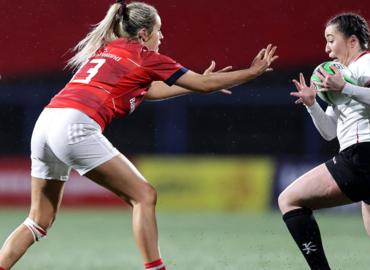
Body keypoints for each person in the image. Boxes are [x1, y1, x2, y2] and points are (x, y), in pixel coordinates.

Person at [0, 1, 278, 270]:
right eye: (159, 30)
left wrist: (198, 85)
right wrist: (252, 72)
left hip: (47, 121)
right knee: (144, 195)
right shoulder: (145, 56)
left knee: (38, 220)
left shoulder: (107, 50)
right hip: (74, 125)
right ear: (144, 33)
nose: (162, 36)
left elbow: (152, 90)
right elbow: (204, 83)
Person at [278, 13, 370, 270]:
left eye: (331, 39)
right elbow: (329, 132)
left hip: (367, 156)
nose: (326, 48)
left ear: (352, 41)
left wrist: (344, 88)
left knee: (288, 200)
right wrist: (313, 105)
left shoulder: (369, 63)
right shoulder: (344, 75)